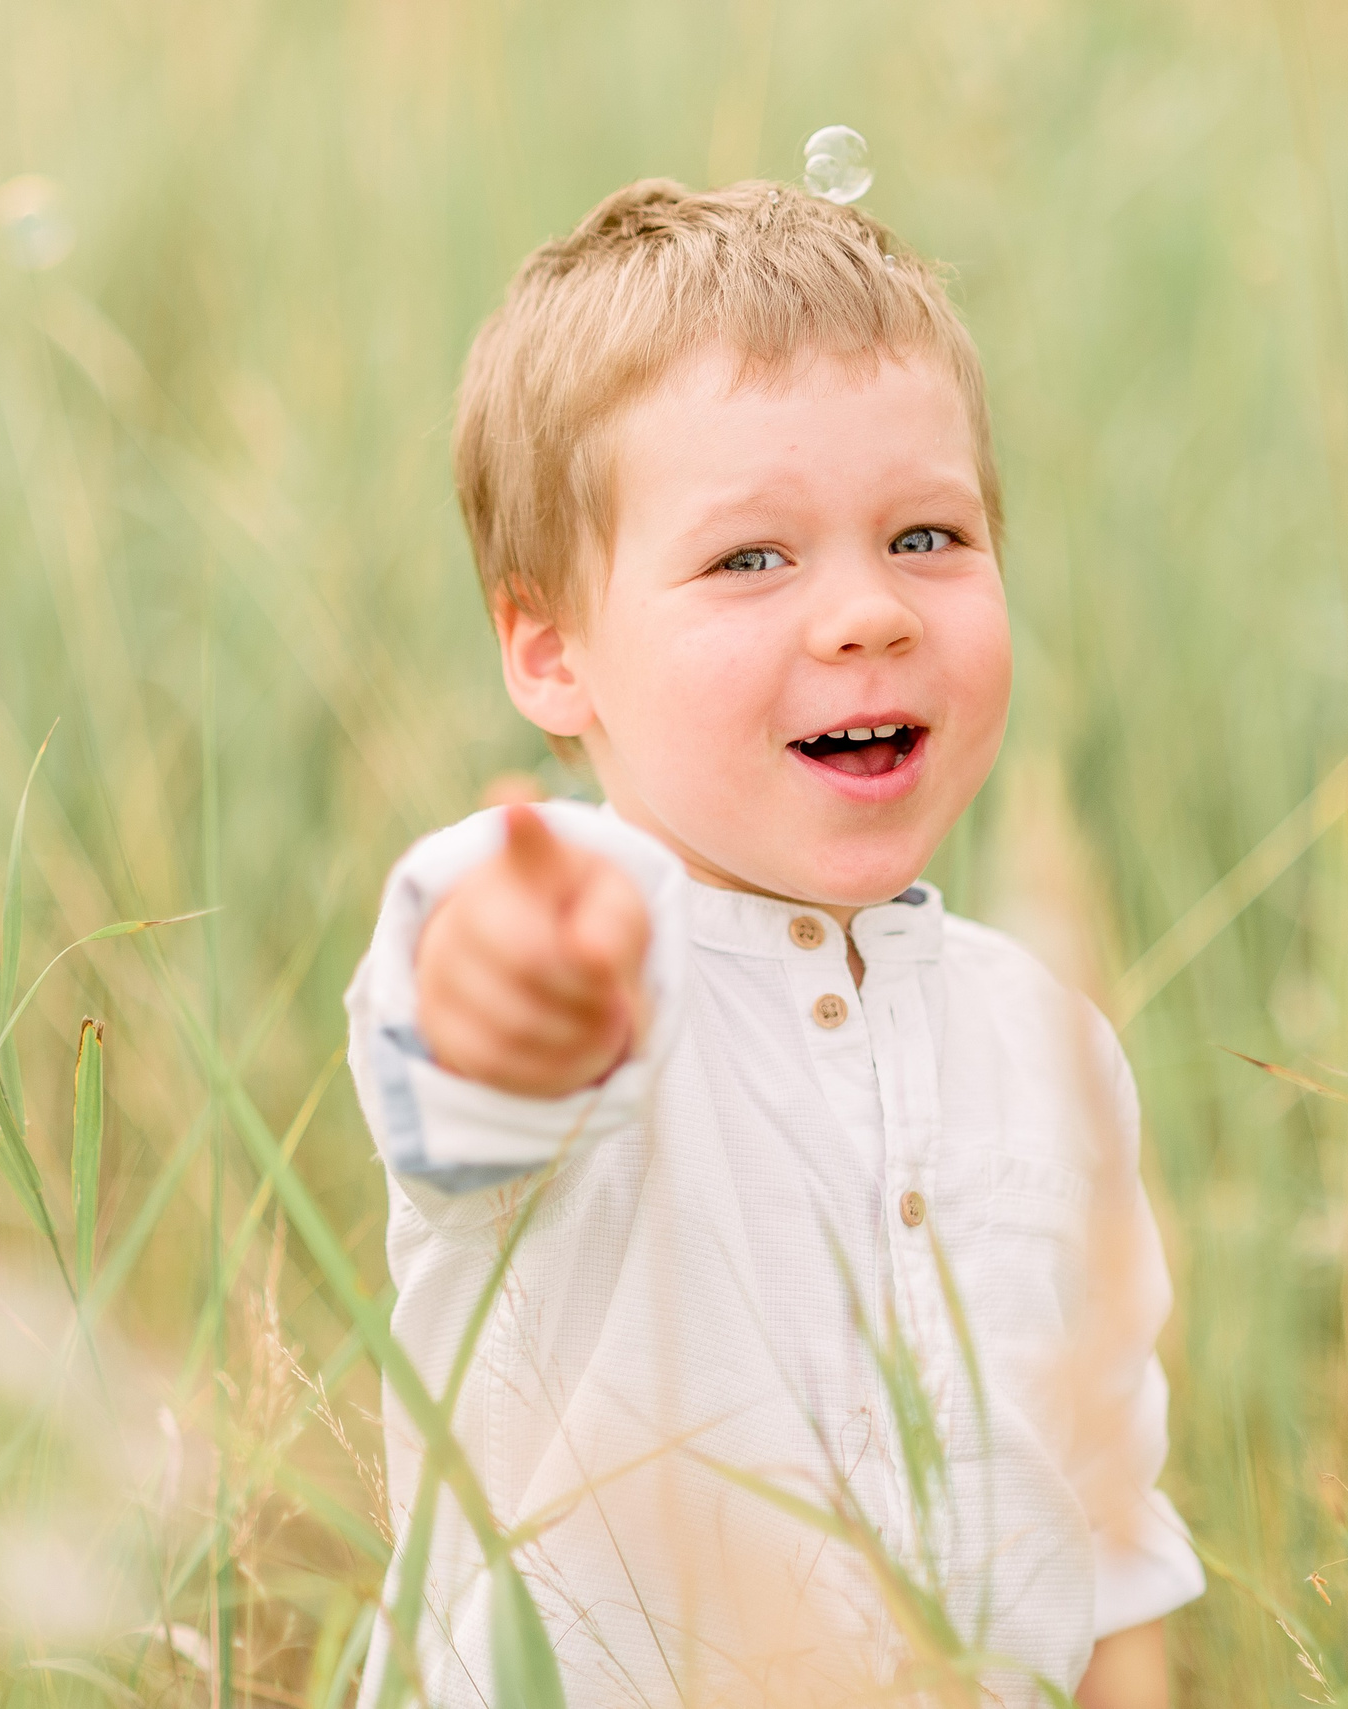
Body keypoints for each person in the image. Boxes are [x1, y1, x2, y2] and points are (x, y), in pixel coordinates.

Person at [345, 177, 1202, 1707]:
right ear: (550, 649)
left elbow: (1112, 1527)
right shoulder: (585, 937)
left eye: (929, 535)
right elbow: (462, 1020)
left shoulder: (1050, 1040)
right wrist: (521, 989)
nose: (868, 613)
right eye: (752, 559)